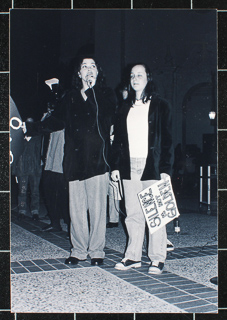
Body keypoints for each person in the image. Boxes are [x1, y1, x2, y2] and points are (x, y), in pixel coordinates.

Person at [25, 56, 117, 266]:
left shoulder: (106, 95)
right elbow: (55, 122)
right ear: (78, 73)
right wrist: (31, 128)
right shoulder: (70, 97)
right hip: (75, 161)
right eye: (84, 66)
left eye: (93, 66)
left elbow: (109, 115)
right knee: (76, 210)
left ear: (98, 72)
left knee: (97, 210)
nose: (89, 69)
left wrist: (92, 92)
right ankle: (78, 250)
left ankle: (96, 251)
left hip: (98, 162)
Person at [111, 63, 174, 274]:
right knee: (132, 214)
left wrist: (165, 168)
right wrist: (115, 166)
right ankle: (133, 257)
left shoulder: (160, 105)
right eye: (132, 75)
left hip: (152, 165)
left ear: (148, 77)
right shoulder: (123, 107)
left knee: (155, 213)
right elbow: (118, 141)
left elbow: (167, 140)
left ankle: (157, 258)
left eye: (140, 75)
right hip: (129, 166)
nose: (135, 78)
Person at [12, 118, 42, 221]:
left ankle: (35, 211)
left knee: (35, 191)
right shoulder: (19, 138)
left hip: (34, 169)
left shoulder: (37, 138)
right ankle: (22, 211)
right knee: (22, 191)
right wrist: (15, 171)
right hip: (22, 168)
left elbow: (39, 153)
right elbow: (15, 154)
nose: (24, 127)